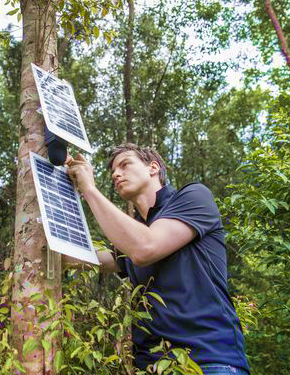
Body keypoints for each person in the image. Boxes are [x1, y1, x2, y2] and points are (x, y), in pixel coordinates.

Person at [64, 143, 250, 375]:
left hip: (208, 362)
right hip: (151, 368)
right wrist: (57, 190)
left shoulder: (193, 197)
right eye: (113, 172)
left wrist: (89, 189)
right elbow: (80, 259)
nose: (116, 174)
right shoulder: (133, 236)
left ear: (153, 168)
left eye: (125, 164)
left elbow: (145, 247)